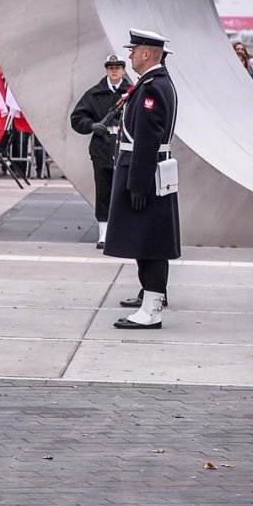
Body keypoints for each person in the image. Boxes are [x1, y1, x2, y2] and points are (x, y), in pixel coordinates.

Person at [104, 29, 179, 330]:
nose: (130, 55)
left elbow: (148, 138)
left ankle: (151, 310)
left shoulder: (152, 88)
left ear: (147, 54)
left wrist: (137, 183)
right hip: (145, 169)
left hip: (144, 172)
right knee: (146, 243)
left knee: (151, 246)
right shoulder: (154, 84)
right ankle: (149, 303)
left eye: (134, 50)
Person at [70, 54, 133, 247]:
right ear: (106, 69)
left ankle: (123, 232)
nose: (114, 70)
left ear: (124, 69)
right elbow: (77, 118)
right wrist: (92, 125)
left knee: (124, 192)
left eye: (118, 66)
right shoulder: (94, 93)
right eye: (110, 67)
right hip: (102, 148)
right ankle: (104, 234)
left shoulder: (131, 93)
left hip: (124, 147)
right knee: (104, 191)